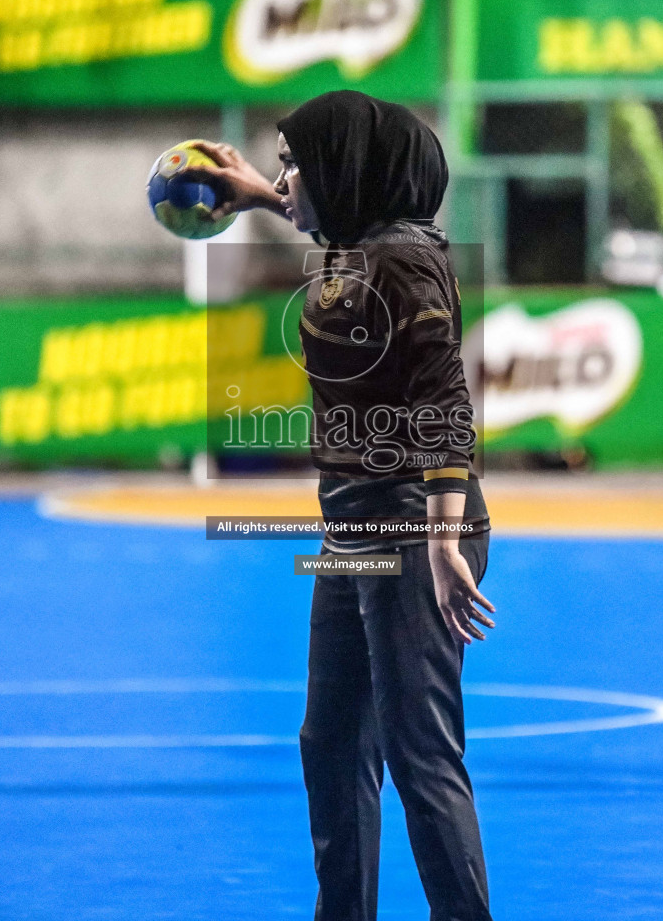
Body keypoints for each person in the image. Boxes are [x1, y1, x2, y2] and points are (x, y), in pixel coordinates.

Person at [190, 90, 497, 921]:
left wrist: (442, 542)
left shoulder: (402, 260)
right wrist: (259, 189)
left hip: (414, 522)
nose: (288, 177)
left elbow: (446, 403)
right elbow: (320, 217)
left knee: (419, 757)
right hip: (357, 523)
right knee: (331, 744)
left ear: (347, 170)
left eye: (298, 163)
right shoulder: (355, 241)